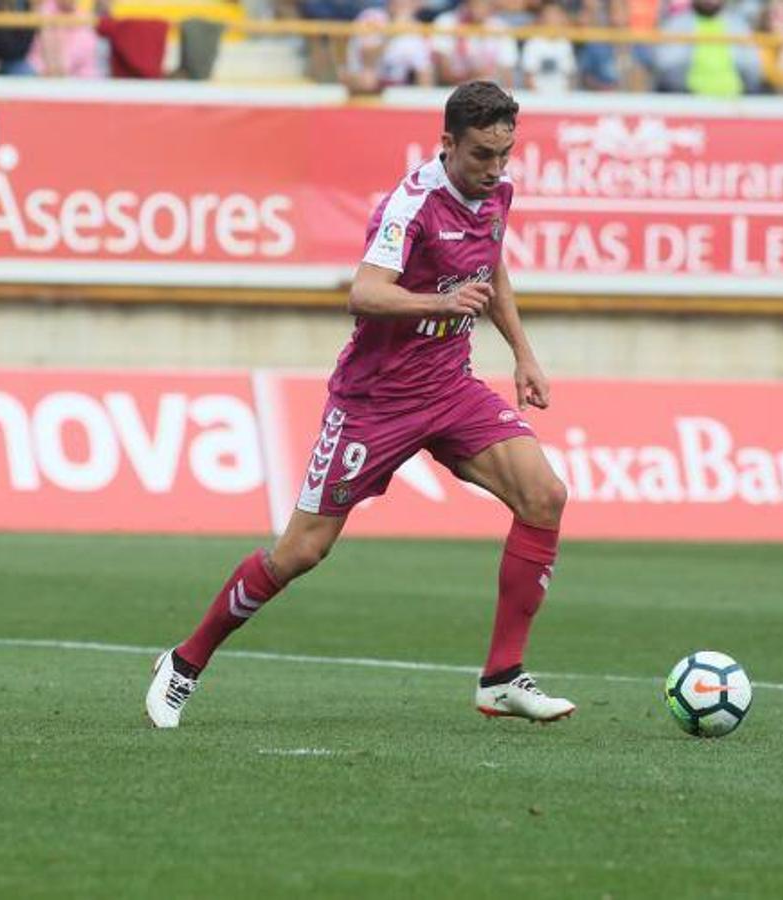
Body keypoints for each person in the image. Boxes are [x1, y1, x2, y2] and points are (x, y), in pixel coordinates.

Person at [145, 81, 575, 730]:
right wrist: (438, 303)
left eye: (505, 156)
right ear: (448, 143)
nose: (494, 170)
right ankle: (183, 662)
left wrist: (523, 353)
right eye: (482, 155)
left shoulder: (496, 196)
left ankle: (502, 677)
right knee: (299, 553)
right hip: (375, 403)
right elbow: (365, 293)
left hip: (450, 388)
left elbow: (492, 272)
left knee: (544, 496)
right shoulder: (410, 208)